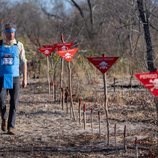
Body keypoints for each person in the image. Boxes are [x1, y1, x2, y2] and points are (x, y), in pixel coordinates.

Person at [0, 23, 27, 135]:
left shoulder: (19, 45)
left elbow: (24, 62)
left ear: (14, 32)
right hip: (2, 77)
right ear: (4, 33)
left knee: (14, 103)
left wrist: (25, 78)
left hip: (15, 77)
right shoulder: (0, 44)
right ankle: (4, 118)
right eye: (8, 32)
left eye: (12, 32)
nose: (10, 34)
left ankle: (11, 126)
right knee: (1, 101)